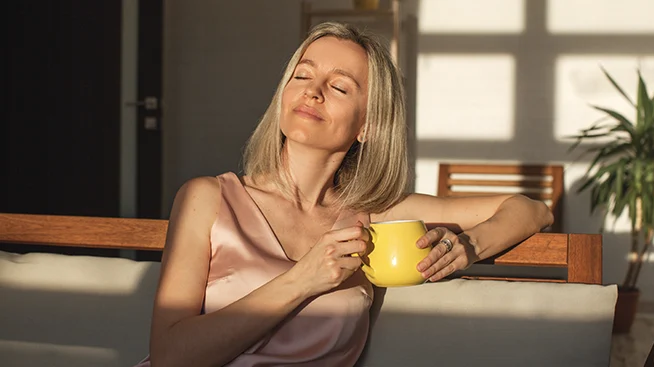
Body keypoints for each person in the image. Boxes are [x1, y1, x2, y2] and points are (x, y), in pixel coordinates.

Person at [138, 22, 553, 367]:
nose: (312, 90)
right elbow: (170, 356)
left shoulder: (374, 217)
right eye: (302, 75)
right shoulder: (206, 199)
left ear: (367, 126)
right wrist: (303, 280)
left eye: (339, 87)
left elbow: (531, 210)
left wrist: (470, 245)